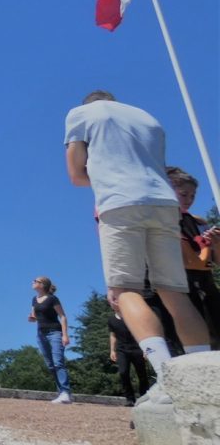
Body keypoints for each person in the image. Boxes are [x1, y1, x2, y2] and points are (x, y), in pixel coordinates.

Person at [65, 91, 212, 401]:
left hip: (121, 202)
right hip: (163, 203)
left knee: (125, 290)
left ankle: (168, 379)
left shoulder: (81, 115)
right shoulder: (148, 118)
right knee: (173, 291)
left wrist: (106, 170)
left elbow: (76, 175)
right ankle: (205, 378)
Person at [167, 166, 220, 347]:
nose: (189, 200)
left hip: (207, 287)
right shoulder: (166, 222)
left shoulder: (198, 222)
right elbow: (191, 262)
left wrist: (216, 244)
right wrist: (206, 247)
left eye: (193, 195)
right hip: (184, 291)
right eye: (184, 194)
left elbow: (216, 261)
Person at [27, 276, 72, 404]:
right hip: (41, 334)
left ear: (43, 285)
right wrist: (32, 318)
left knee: (58, 362)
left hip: (55, 333)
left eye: (36, 281)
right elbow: (35, 316)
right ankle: (61, 393)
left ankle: (65, 392)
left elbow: (62, 316)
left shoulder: (52, 299)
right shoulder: (34, 300)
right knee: (51, 365)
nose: (33, 282)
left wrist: (65, 335)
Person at [109, 310, 149, 406]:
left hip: (137, 348)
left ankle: (145, 396)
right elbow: (112, 335)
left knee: (142, 373)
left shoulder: (133, 316)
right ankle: (129, 398)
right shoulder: (111, 320)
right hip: (122, 350)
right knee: (123, 372)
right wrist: (112, 350)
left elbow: (142, 331)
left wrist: (145, 348)